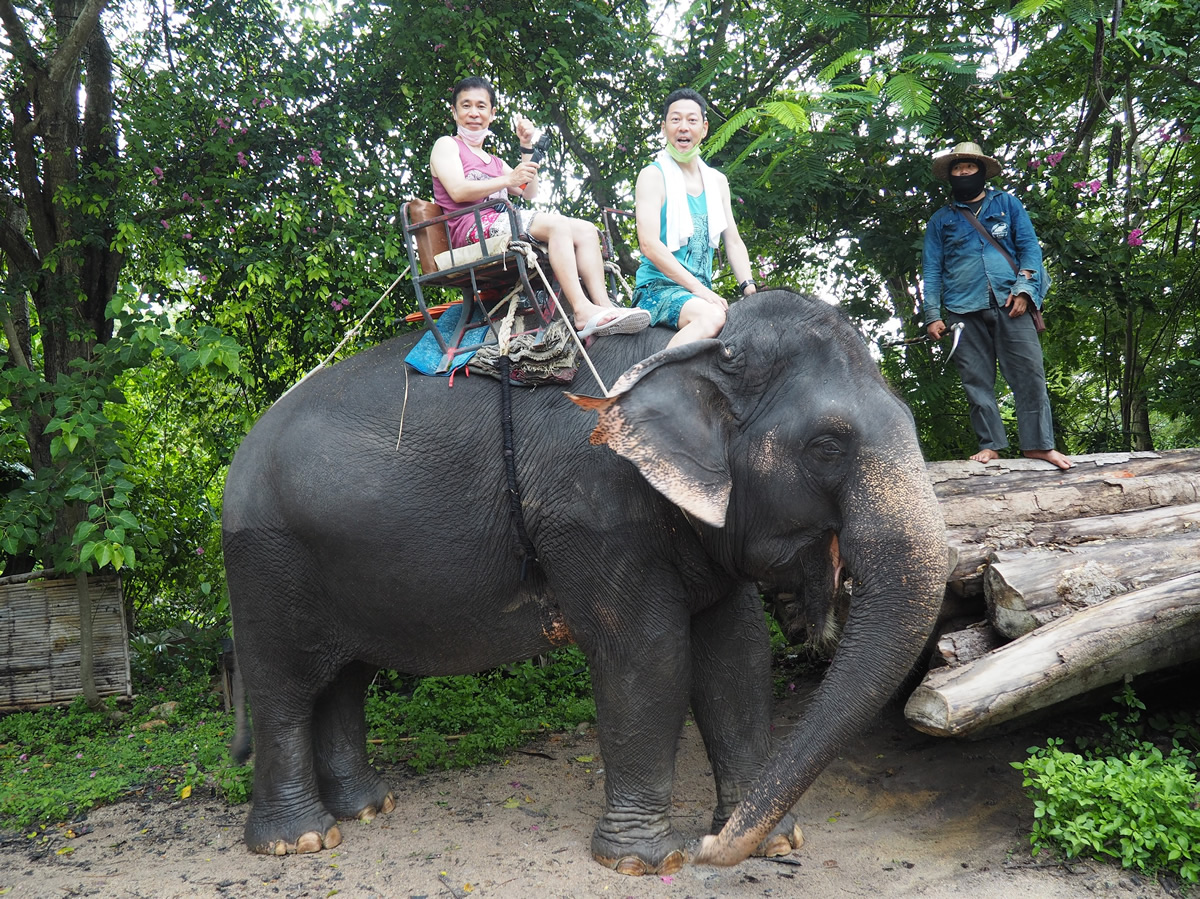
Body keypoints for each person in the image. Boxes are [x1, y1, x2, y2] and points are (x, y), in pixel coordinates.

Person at [430, 76, 649, 339]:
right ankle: (581, 310)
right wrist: (508, 180)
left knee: (586, 230)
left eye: (481, 106)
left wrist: (526, 147)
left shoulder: (494, 161)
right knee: (556, 224)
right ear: (454, 111)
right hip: (471, 230)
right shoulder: (447, 145)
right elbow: (457, 189)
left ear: (492, 113)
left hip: (501, 223)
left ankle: (603, 307)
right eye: (466, 106)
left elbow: (528, 191)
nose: (474, 113)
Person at [921, 141, 1074, 470]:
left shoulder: (1007, 204)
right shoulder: (940, 220)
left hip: (1011, 303)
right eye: (957, 169)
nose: (963, 173)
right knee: (976, 380)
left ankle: (1038, 446)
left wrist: (1024, 290)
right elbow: (932, 270)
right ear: (950, 177)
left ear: (981, 171)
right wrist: (932, 315)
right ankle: (990, 445)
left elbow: (1030, 249)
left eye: (969, 168)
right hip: (962, 309)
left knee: (1029, 375)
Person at [632, 88, 757, 348]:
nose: (683, 127)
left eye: (692, 120)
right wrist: (702, 292)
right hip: (658, 289)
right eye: (675, 120)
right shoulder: (652, 176)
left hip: (700, 294)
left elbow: (732, 241)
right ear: (664, 127)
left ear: (704, 128)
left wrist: (750, 289)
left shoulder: (717, 182)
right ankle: (645, 379)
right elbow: (649, 244)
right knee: (713, 317)